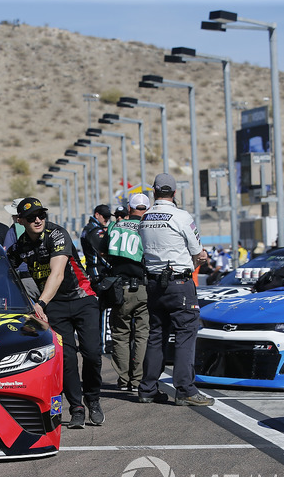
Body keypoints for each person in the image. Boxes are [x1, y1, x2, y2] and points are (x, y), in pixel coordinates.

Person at [7, 197, 104, 428]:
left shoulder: (57, 234)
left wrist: (39, 303)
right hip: (55, 305)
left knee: (92, 354)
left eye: (41, 215)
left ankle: (93, 398)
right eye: (31, 218)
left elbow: (57, 274)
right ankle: (77, 407)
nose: (38, 220)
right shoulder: (21, 245)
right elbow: (3, 270)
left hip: (82, 299)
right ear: (20, 221)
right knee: (67, 358)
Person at [137, 173, 214, 407]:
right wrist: (199, 260)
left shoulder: (146, 217)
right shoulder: (181, 216)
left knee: (156, 335)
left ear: (154, 192)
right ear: (175, 193)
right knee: (185, 335)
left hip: (153, 283)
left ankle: (147, 388)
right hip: (179, 283)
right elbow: (197, 250)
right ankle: (186, 389)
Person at [100, 193, 150, 392]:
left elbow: (103, 250)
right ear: (146, 209)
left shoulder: (116, 226)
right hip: (142, 287)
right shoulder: (146, 228)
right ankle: (137, 380)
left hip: (119, 287)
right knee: (141, 335)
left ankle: (123, 378)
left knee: (120, 334)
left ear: (129, 208)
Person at [81, 203, 113, 354]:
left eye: (108, 217)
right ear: (97, 214)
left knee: (97, 311)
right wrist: (115, 267)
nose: (106, 220)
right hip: (98, 274)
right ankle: (103, 344)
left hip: (94, 273)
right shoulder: (94, 231)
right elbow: (103, 253)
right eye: (104, 217)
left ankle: (97, 343)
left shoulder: (89, 228)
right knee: (104, 311)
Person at [2, 198, 40, 300]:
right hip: (43, 276)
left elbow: (7, 256)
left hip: (25, 278)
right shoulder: (40, 225)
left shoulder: (14, 229)